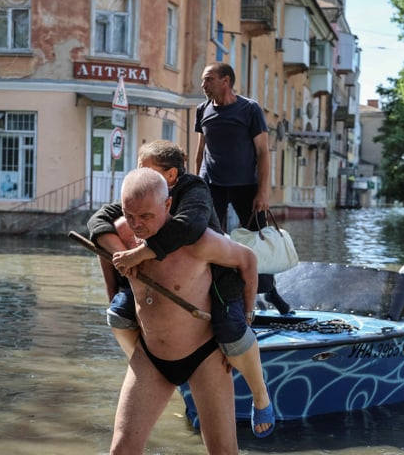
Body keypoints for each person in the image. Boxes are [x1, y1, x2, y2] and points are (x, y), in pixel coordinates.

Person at [87, 140, 274, 437]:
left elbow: (190, 225)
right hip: (153, 352)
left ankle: (260, 395)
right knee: (118, 314)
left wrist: (141, 252)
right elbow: (98, 224)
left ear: (170, 179)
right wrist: (118, 257)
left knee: (232, 332)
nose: (140, 175)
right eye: (138, 170)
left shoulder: (195, 191)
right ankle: (153, 366)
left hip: (216, 282)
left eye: (146, 169)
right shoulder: (137, 205)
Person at [109, 167, 254, 454]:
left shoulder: (199, 243)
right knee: (121, 450)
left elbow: (247, 260)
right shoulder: (123, 232)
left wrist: (246, 321)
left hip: (203, 356)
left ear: (167, 205)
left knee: (223, 451)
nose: (137, 225)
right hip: (150, 356)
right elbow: (105, 244)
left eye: (146, 217)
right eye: (130, 214)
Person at [195, 62, 290, 314]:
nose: (203, 85)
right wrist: (196, 185)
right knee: (211, 240)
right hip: (213, 185)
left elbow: (263, 153)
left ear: (226, 80)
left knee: (259, 239)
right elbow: (200, 151)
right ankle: (219, 294)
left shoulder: (249, 109)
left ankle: (270, 292)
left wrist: (263, 192)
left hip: (246, 187)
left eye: (208, 79)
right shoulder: (202, 109)